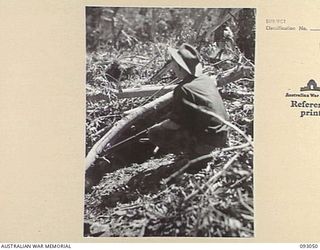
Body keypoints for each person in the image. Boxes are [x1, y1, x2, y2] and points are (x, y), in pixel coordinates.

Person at [148, 43, 229, 168]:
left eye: (174, 63)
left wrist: (158, 126)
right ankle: (197, 151)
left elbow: (176, 124)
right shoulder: (206, 79)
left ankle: (194, 155)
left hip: (207, 142)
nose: (172, 67)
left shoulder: (183, 89)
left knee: (155, 132)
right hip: (222, 136)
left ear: (180, 67)